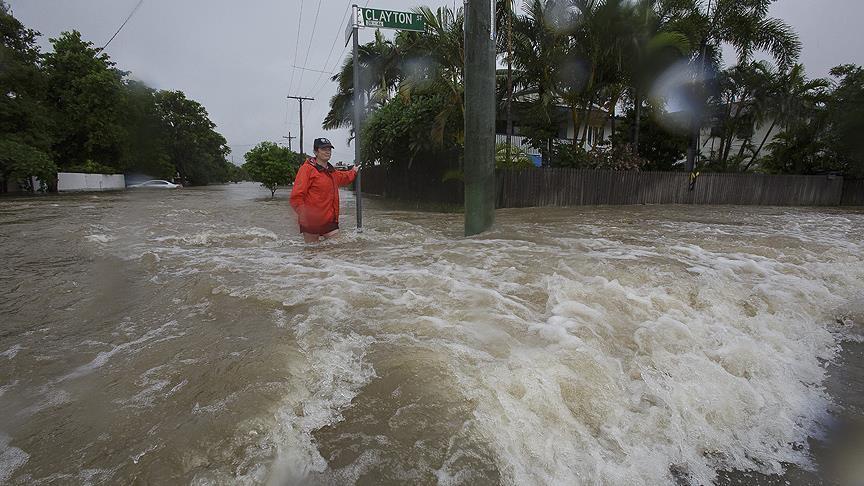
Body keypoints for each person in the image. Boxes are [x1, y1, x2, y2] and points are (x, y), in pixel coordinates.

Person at [289, 137, 359, 243]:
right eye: (323, 149)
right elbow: (296, 197)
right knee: (312, 253)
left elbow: (343, 177)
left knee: (337, 248)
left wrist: (353, 171)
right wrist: (304, 217)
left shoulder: (332, 172)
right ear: (315, 152)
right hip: (310, 220)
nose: (327, 151)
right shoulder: (306, 169)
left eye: (329, 149)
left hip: (329, 220)